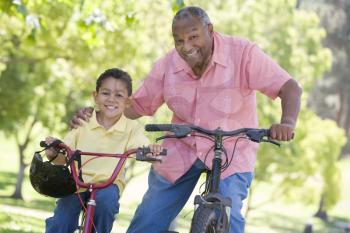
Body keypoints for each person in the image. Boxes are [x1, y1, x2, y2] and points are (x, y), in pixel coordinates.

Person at [70, 6, 302, 233]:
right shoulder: (167, 65)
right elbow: (137, 105)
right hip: (181, 147)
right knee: (148, 219)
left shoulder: (243, 53)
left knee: (229, 214)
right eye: (179, 40)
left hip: (233, 148)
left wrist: (288, 122)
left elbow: (290, 88)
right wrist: (97, 113)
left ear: (210, 29)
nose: (186, 46)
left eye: (193, 37)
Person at [44, 68, 162, 233]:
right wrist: (54, 153)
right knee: (62, 220)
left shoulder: (131, 128)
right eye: (106, 93)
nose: (111, 99)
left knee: (106, 206)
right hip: (77, 183)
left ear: (128, 102)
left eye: (119, 95)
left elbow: (142, 146)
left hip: (108, 185)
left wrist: (151, 151)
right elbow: (66, 153)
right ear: (96, 96)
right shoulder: (83, 122)